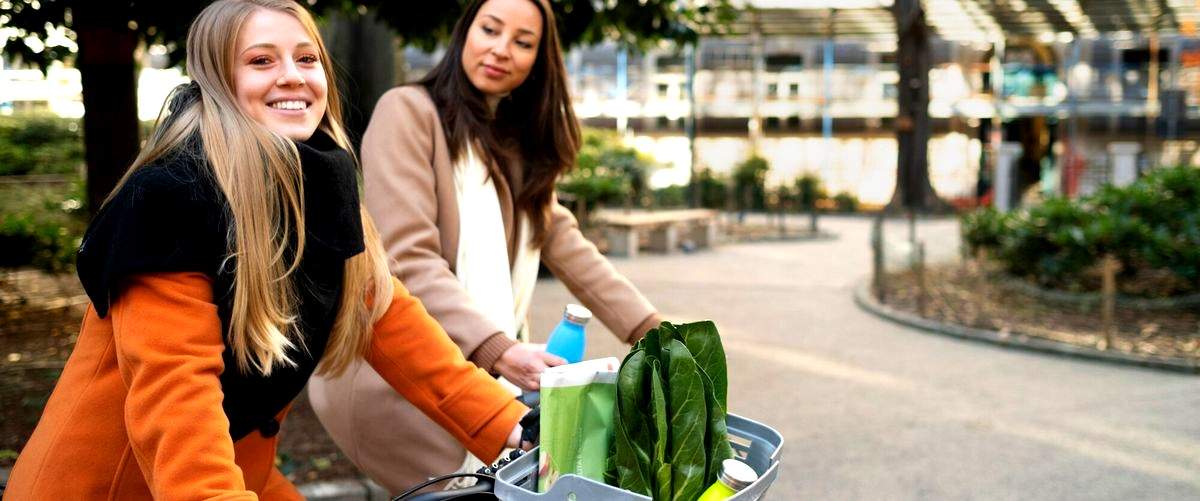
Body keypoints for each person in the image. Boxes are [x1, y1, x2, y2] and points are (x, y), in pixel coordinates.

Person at [2, 1, 529, 499]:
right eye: (260, 60)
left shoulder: (320, 178)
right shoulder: (170, 199)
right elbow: (176, 395)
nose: (294, 76)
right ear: (217, 79)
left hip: (240, 471)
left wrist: (512, 426)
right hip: (120, 485)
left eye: (307, 59)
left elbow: (391, 322)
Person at [307, 0, 663, 493]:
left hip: (481, 380)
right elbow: (406, 258)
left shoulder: (512, 142)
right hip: (401, 378)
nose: (501, 50)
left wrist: (655, 333)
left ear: (540, 61)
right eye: (490, 29)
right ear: (464, 33)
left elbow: (563, 240)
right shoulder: (408, 112)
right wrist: (497, 349)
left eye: (523, 42)